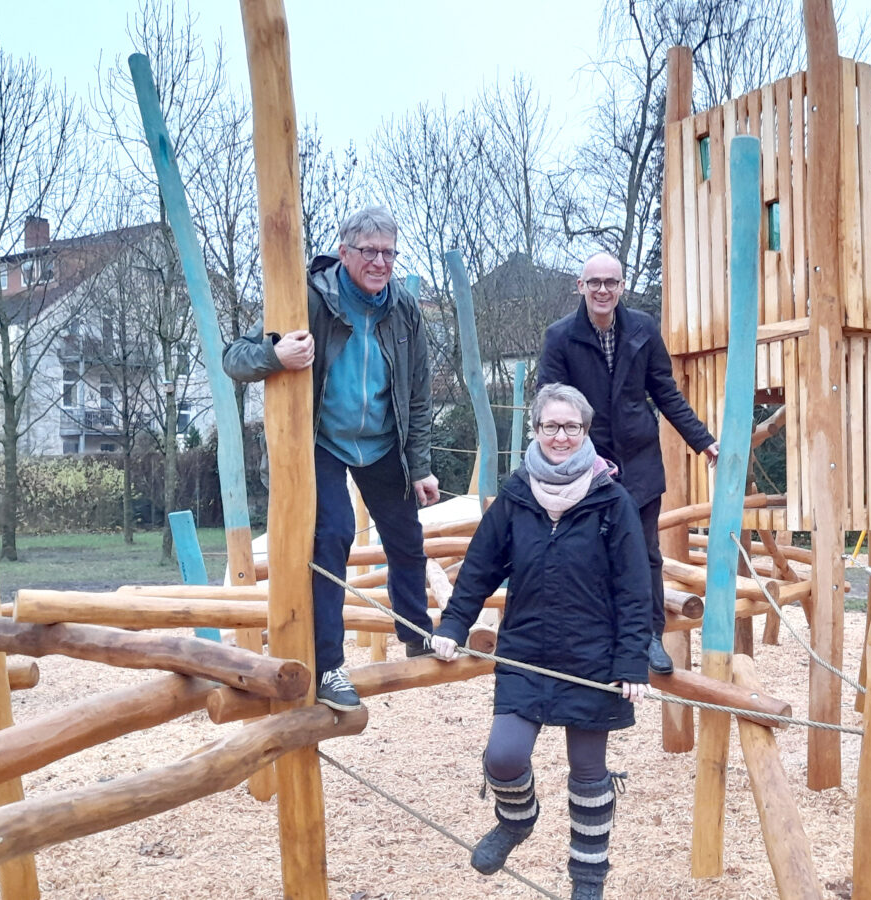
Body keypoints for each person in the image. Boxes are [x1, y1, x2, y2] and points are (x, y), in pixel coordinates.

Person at [430, 383, 651, 900]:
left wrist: (632, 660)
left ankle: (588, 880)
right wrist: (453, 626)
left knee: (589, 774)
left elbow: (634, 588)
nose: (560, 436)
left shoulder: (610, 500)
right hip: (526, 650)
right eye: (550, 426)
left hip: (592, 657)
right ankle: (516, 819)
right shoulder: (516, 497)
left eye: (571, 427)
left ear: (585, 432)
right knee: (503, 756)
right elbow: (480, 568)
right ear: (535, 430)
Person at [223, 205, 438, 712]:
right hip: (322, 440)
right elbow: (236, 357)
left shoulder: (404, 309)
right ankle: (329, 665)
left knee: (407, 538)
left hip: (384, 440)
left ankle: (417, 632)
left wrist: (422, 463)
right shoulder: (308, 299)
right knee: (332, 536)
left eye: (388, 252)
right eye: (370, 252)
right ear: (344, 253)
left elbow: (420, 394)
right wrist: (275, 357)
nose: (380, 262)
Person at [537, 251, 718, 676]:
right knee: (589, 551)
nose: (603, 290)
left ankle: (648, 637)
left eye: (611, 283)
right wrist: (583, 455)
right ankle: (595, 637)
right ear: (580, 287)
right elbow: (550, 403)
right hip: (585, 464)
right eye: (594, 282)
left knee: (645, 551)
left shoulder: (642, 328)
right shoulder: (560, 337)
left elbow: (665, 392)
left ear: (621, 288)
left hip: (638, 459)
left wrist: (703, 440)